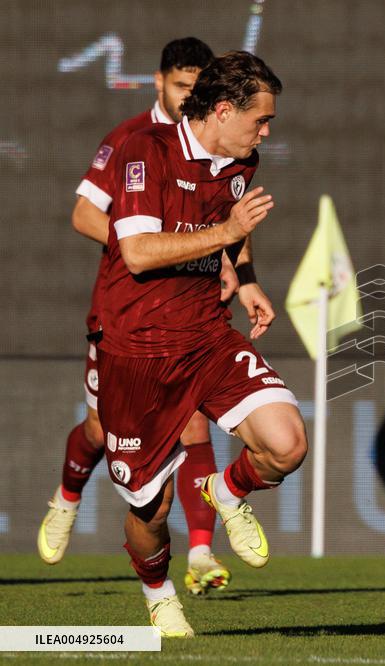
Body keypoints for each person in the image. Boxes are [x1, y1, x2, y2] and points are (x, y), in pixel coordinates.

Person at [99, 50, 307, 637]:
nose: (266, 132)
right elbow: (139, 254)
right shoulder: (146, 151)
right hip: (136, 352)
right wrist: (229, 233)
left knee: (286, 443)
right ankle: (158, 591)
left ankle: (225, 489)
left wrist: (248, 280)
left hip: (205, 336)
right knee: (150, 510)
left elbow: (226, 233)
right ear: (221, 110)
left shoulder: (242, 163)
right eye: (260, 120)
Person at [37, 37, 249, 597]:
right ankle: (67, 496)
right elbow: (86, 214)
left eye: (197, 87)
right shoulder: (132, 140)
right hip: (123, 313)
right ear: (158, 82)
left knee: (193, 420)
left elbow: (226, 220)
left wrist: (237, 273)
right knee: (99, 429)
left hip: (189, 315)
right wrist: (152, 237)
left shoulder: (221, 145)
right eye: (181, 86)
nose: (189, 96)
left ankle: (200, 552)